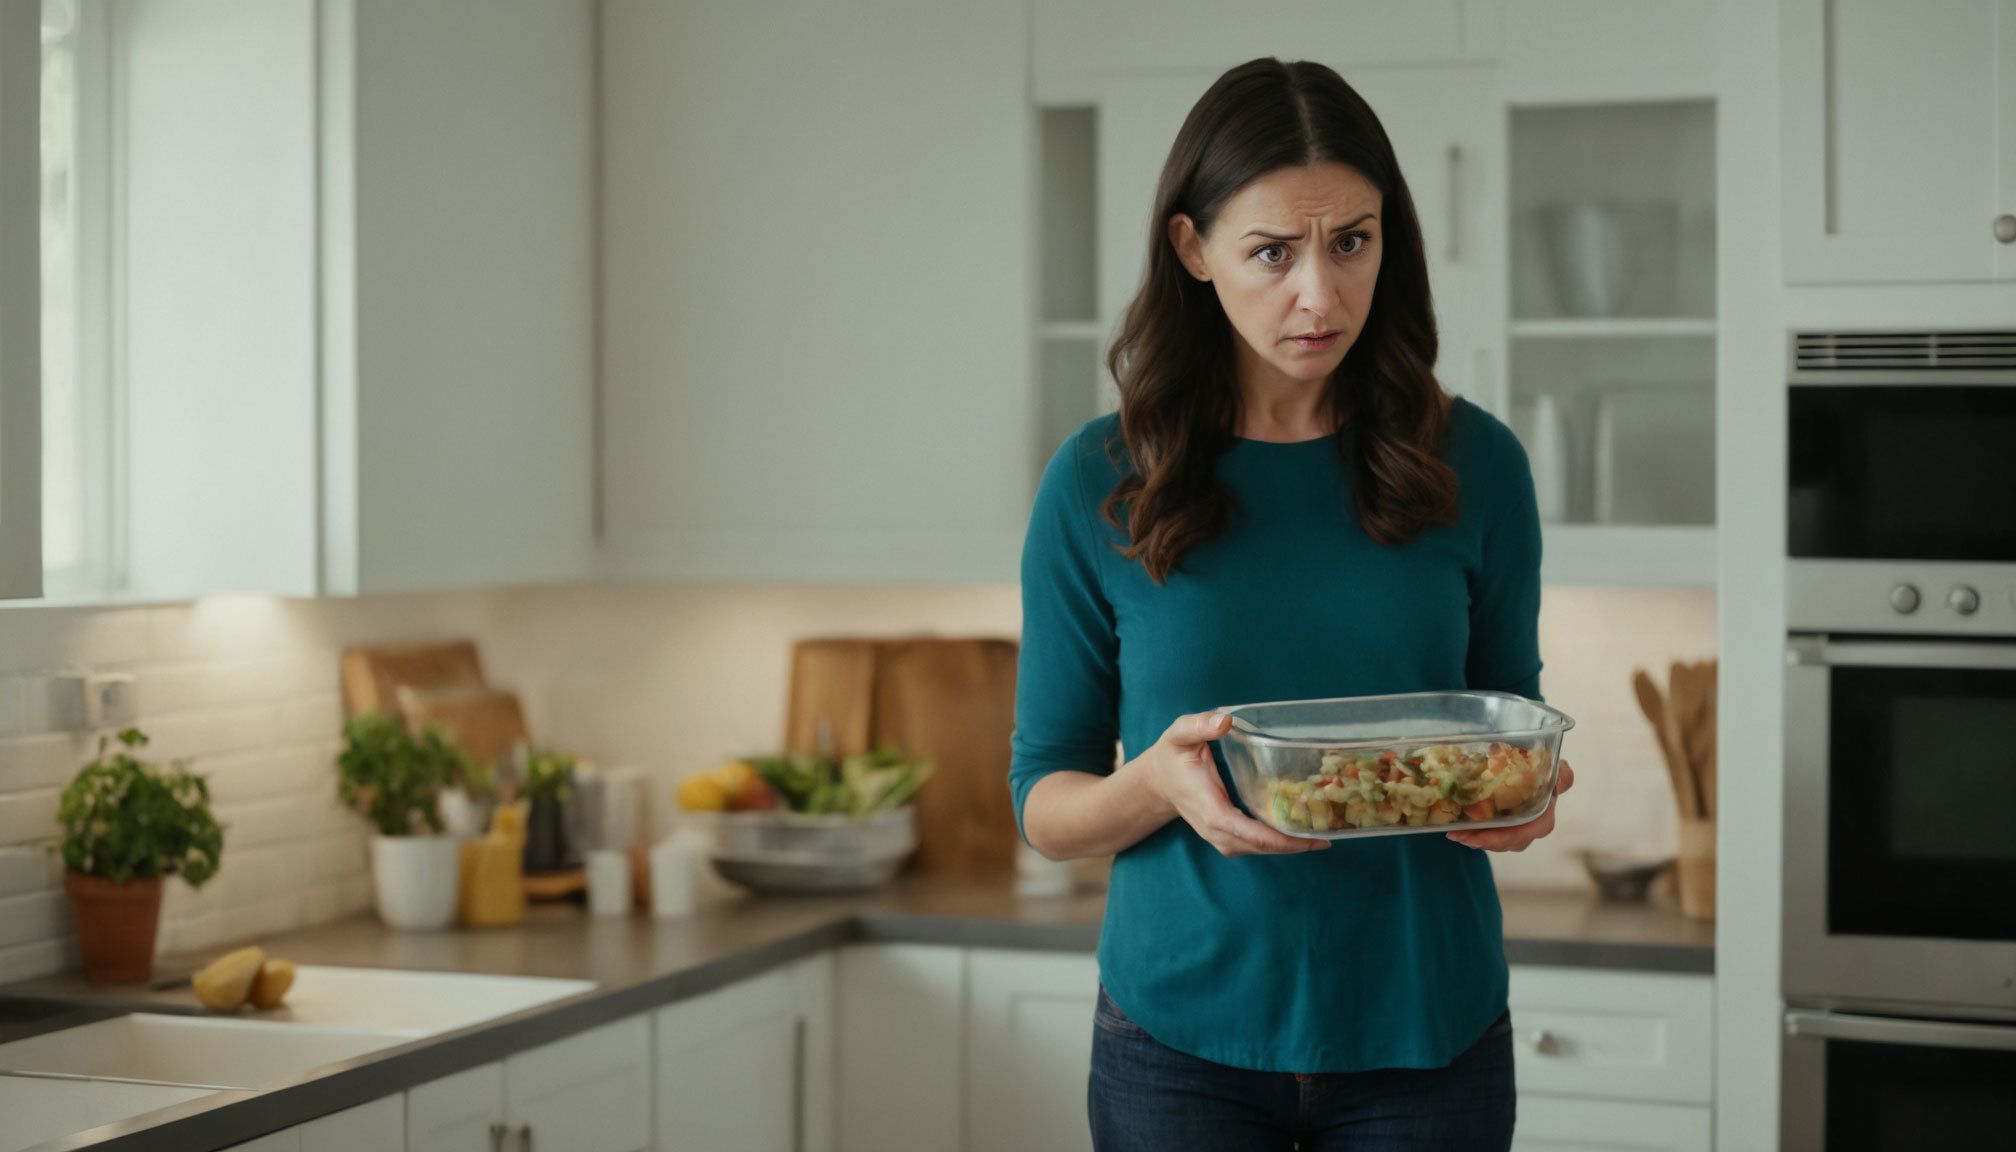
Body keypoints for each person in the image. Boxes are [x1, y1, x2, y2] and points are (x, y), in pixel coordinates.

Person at [1009, 57, 1576, 1151]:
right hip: (1179, 1046)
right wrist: (1159, 786)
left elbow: (1511, 722)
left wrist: (1523, 796)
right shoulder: (1098, 482)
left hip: (1429, 1037)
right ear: (1194, 250)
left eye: (1351, 242)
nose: (1320, 294)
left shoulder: (1479, 466)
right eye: (1272, 251)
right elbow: (1046, 802)